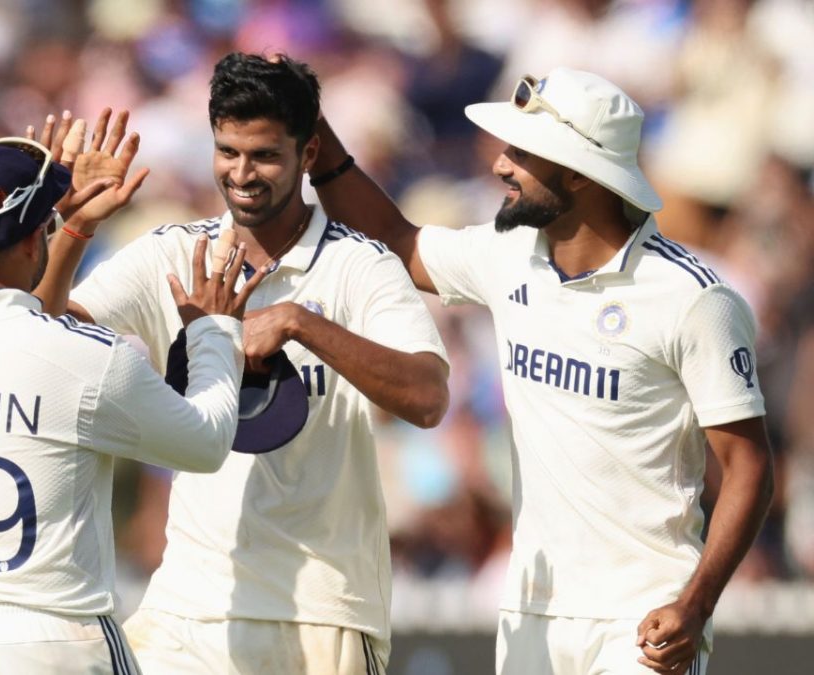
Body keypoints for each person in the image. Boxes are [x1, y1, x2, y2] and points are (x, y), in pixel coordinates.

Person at [309, 67, 775, 675]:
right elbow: (397, 239)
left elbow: (750, 466)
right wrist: (314, 130)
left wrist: (697, 604)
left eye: (523, 153)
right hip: (531, 611)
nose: (501, 165)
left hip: (642, 617)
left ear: (581, 172)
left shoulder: (692, 297)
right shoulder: (508, 257)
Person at [36, 53, 451, 673]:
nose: (242, 174)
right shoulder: (173, 254)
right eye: (227, 151)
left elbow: (427, 398)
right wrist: (70, 229)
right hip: (190, 606)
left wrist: (299, 323)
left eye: (264, 155)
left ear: (309, 155)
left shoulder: (360, 265)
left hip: (322, 609)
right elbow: (38, 339)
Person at [0, 129, 262, 675]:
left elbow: (1, 308)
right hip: (57, 638)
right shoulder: (86, 358)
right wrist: (215, 332)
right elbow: (206, 443)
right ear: (32, 241)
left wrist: (63, 224)